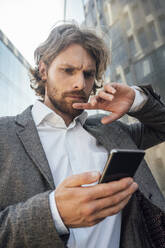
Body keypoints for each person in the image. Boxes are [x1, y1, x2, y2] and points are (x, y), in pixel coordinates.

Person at [0, 23, 165, 248]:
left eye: (88, 74)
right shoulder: (4, 135)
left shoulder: (112, 130)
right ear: (43, 70)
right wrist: (53, 214)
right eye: (68, 70)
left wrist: (136, 101)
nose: (80, 84)